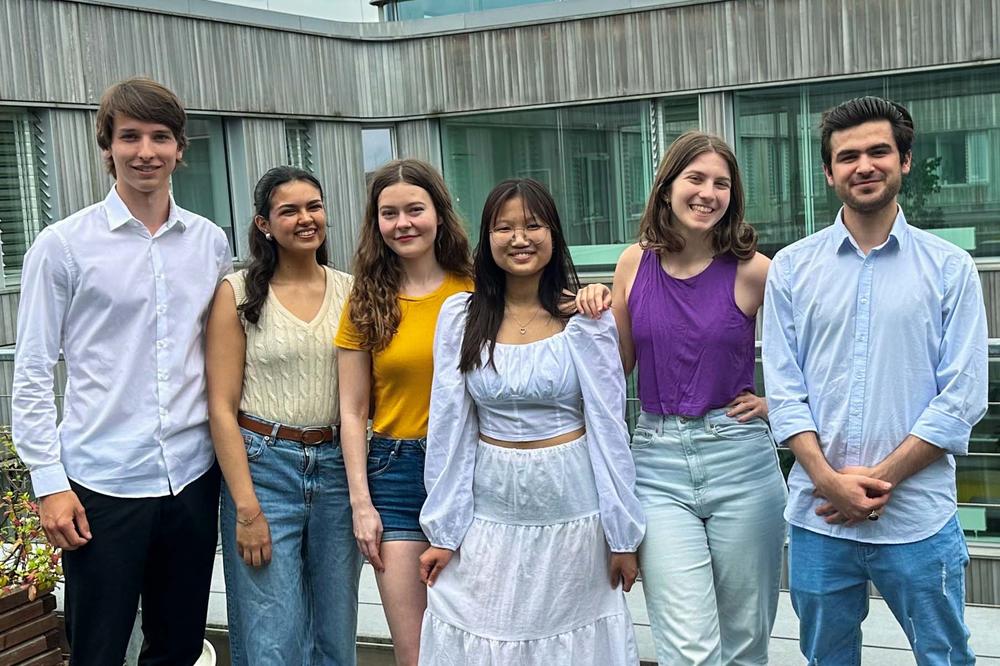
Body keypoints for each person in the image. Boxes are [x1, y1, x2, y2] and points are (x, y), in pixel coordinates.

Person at [11, 77, 231, 665]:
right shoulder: (62, 247)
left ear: (181, 149)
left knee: (179, 645)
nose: (145, 151)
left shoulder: (210, 243)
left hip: (191, 477)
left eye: (160, 137)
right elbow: (31, 372)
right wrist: (49, 484)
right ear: (106, 147)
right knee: (98, 650)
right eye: (129, 136)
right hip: (102, 483)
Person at [762, 96, 987, 664]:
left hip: (917, 519)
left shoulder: (949, 268)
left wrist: (876, 483)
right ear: (828, 172)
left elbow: (962, 396)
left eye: (879, 151)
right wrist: (827, 480)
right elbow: (786, 392)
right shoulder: (790, 268)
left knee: (945, 658)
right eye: (848, 156)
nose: (864, 165)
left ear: (905, 161)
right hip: (819, 520)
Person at [418, 178, 645, 665]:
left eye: (533, 225)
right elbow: (449, 430)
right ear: (488, 238)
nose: (520, 238)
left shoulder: (585, 319)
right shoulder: (460, 317)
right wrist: (442, 532)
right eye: (504, 228)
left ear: (554, 235)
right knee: (485, 625)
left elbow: (610, 430)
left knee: (571, 637)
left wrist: (623, 537)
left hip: (573, 508)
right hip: (489, 509)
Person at [607, 131, 787, 664]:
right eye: (696, 178)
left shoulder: (756, 270)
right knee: (687, 647)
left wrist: (774, 403)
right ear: (667, 188)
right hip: (657, 464)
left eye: (722, 183)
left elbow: (809, 361)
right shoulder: (632, 264)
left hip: (742, 461)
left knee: (745, 643)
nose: (709, 192)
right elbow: (613, 371)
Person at [206, 166, 361, 665]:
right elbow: (221, 408)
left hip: (337, 468)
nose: (305, 219)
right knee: (272, 637)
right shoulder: (239, 294)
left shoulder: (352, 291)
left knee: (334, 635)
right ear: (264, 224)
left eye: (313, 206)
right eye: (289, 210)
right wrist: (247, 507)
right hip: (264, 468)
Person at [336, 158, 474, 666]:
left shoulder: (479, 290)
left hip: (470, 474)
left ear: (439, 213)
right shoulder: (366, 300)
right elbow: (352, 411)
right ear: (377, 224)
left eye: (415, 209)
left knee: (478, 636)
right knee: (414, 651)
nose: (403, 223)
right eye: (388, 214)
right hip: (393, 476)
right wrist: (361, 505)